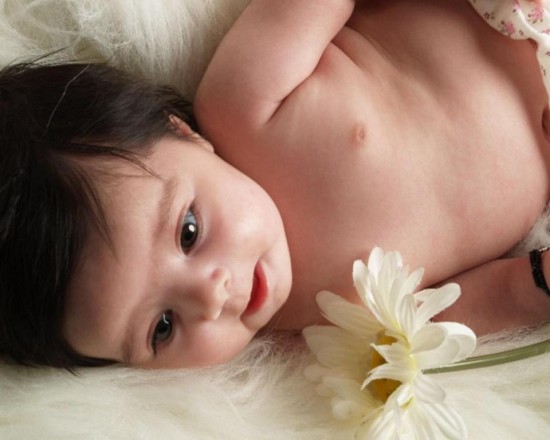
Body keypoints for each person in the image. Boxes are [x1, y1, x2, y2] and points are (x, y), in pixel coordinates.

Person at [0, 0, 549, 371]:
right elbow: (441, 318)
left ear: (183, 133)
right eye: (162, 328)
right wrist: (534, 287)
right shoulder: (317, 334)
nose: (212, 295)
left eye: (188, 231)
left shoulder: (245, 105)